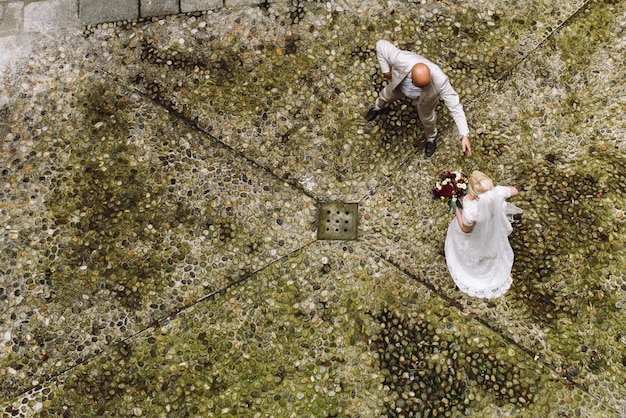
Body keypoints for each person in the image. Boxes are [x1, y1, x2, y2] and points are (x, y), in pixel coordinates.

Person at [366, 40, 472, 157]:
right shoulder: (401, 59)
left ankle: (431, 139)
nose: (423, 87)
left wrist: (464, 134)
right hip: (399, 87)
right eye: (420, 85)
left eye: (425, 85)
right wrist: (386, 71)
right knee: (385, 96)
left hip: (425, 100)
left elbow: (455, 106)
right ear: (411, 76)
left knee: (428, 120)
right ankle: (377, 107)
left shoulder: (440, 81)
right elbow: (381, 45)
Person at [444, 171, 521, 298]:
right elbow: (514, 190)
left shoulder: (471, 211)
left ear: (473, 191)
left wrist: (456, 209)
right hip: (492, 228)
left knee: (460, 234)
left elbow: (465, 229)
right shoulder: (498, 192)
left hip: (476, 232)